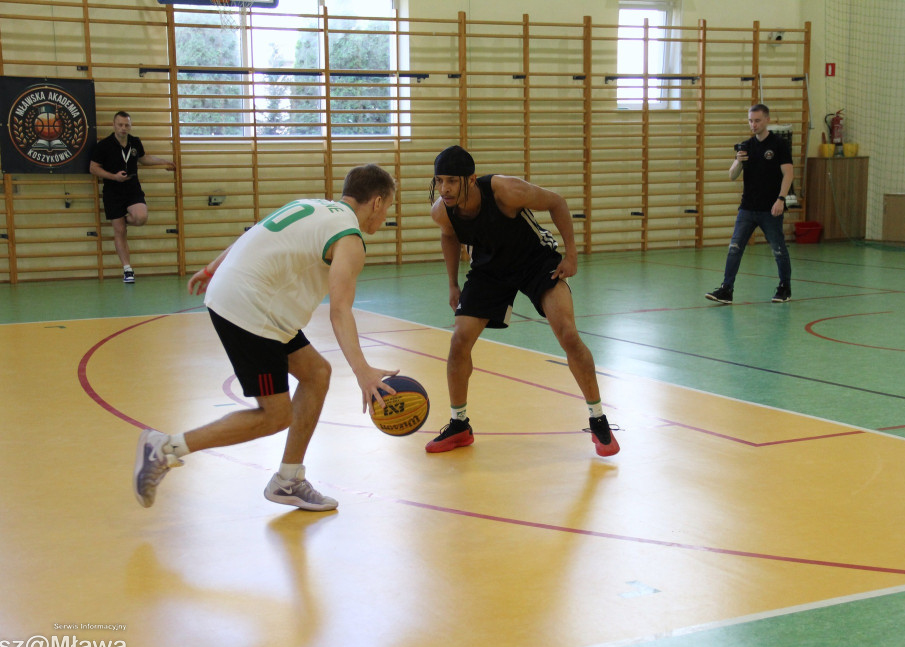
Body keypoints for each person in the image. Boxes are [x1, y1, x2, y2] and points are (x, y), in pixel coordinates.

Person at [132, 164, 399, 511]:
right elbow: (340, 310)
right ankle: (165, 448)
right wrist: (363, 371)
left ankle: (288, 480)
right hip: (250, 309)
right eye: (389, 207)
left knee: (317, 374)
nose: (385, 216)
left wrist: (214, 268)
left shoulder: (315, 206)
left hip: (251, 300)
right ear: (376, 203)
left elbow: (254, 233)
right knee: (275, 415)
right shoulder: (349, 238)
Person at [425, 145, 620, 457]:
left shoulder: (505, 190)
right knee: (459, 340)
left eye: (451, 181)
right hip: (489, 270)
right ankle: (459, 424)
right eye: (439, 181)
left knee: (568, 334)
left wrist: (571, 254)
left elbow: (557, 202)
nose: (444, 188)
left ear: (471, 179)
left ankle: (599, 419)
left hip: (535, 262)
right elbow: (449, 235)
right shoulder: (442, 210)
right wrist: (452, 283)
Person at [706, 103, 794, 304]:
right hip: (747, 208)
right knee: (735, 247)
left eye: (757, 120)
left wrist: (781, 199)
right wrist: (738, 160)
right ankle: (726, 289)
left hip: (770, 208)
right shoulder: (746, 146)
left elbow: (788, 173)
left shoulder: (778, 144)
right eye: (750, 121)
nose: (753, 125)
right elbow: (732, 175)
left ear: (767, 120)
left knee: (778, 249)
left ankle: (784, 287)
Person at [89, 111, 176, 283]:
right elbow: (93, 168)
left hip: (132, 188)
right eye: (120, 124)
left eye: (126, 125)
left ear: (130, 126)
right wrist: (114, 177)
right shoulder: (104, 145)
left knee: (141, 217)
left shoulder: (135, 142)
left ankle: (122, 219)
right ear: (114, 125)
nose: (123, 128)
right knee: (120, 231)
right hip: (112, 191)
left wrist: (163, 162)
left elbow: (143, 158)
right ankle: (127, 269)